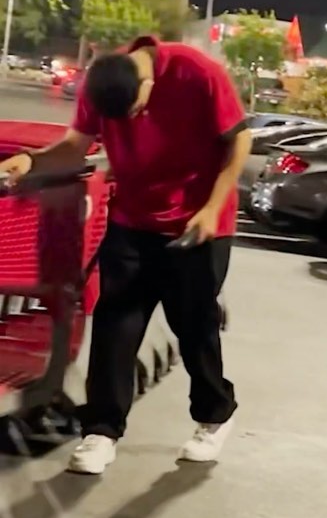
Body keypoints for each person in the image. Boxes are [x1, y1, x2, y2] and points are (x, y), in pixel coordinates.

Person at [0, 35, 251, 476]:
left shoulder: (197, 72)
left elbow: (239, 141)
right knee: (116, 323)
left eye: (134, 110)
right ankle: (102, 430)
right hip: (132, 220)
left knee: (194, 326)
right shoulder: (101, 82)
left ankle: (215, 415)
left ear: (147, 82)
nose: (130, 121)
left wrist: (213, 208)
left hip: (199, 223)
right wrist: (30, 162)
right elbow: (75, 146)